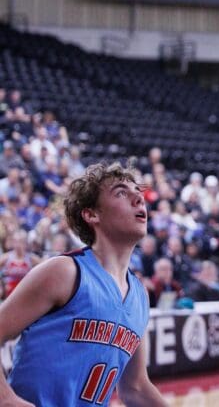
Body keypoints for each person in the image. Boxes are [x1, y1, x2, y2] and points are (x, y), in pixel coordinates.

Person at [0, 162, 166, 406]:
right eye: (121, 192)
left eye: (138, 192)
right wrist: (6, 399)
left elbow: (136, 387)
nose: (138, 198)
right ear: (91, 214)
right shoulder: (64, 271)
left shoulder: (139, 295)